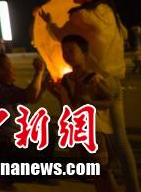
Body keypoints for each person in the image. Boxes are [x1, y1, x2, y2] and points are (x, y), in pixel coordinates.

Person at [39, 0, 137, 192]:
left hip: (96, 82)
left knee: (96, 142)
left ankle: (107, 182)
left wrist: (49, 23)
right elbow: (123, 34)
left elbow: (62, 36)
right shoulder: (109, 12)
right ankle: (132, 187)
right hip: (115, 79)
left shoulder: (80, 16)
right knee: (120, 142)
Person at [47, 35, 119, 192]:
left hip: (95, 133)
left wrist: (89, 103)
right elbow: (70, 107)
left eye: (71, 50)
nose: (67, 55)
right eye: (64, 51)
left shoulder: (93, 78)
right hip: (78, 133)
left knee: (104, 174)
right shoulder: (66, 79)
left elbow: (110, 101)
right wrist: (58, 96)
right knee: (94, 175)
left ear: (84, 53)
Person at [0, 52, 47, 190]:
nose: (13, 69)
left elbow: (33, 98)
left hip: (15, 141)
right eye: (9, 67)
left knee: (48, 133)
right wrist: (39, 72)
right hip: (4, 146)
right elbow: (29, 95)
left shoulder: (6, 87)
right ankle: (5, 175)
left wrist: (45, 87)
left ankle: (6, 175)